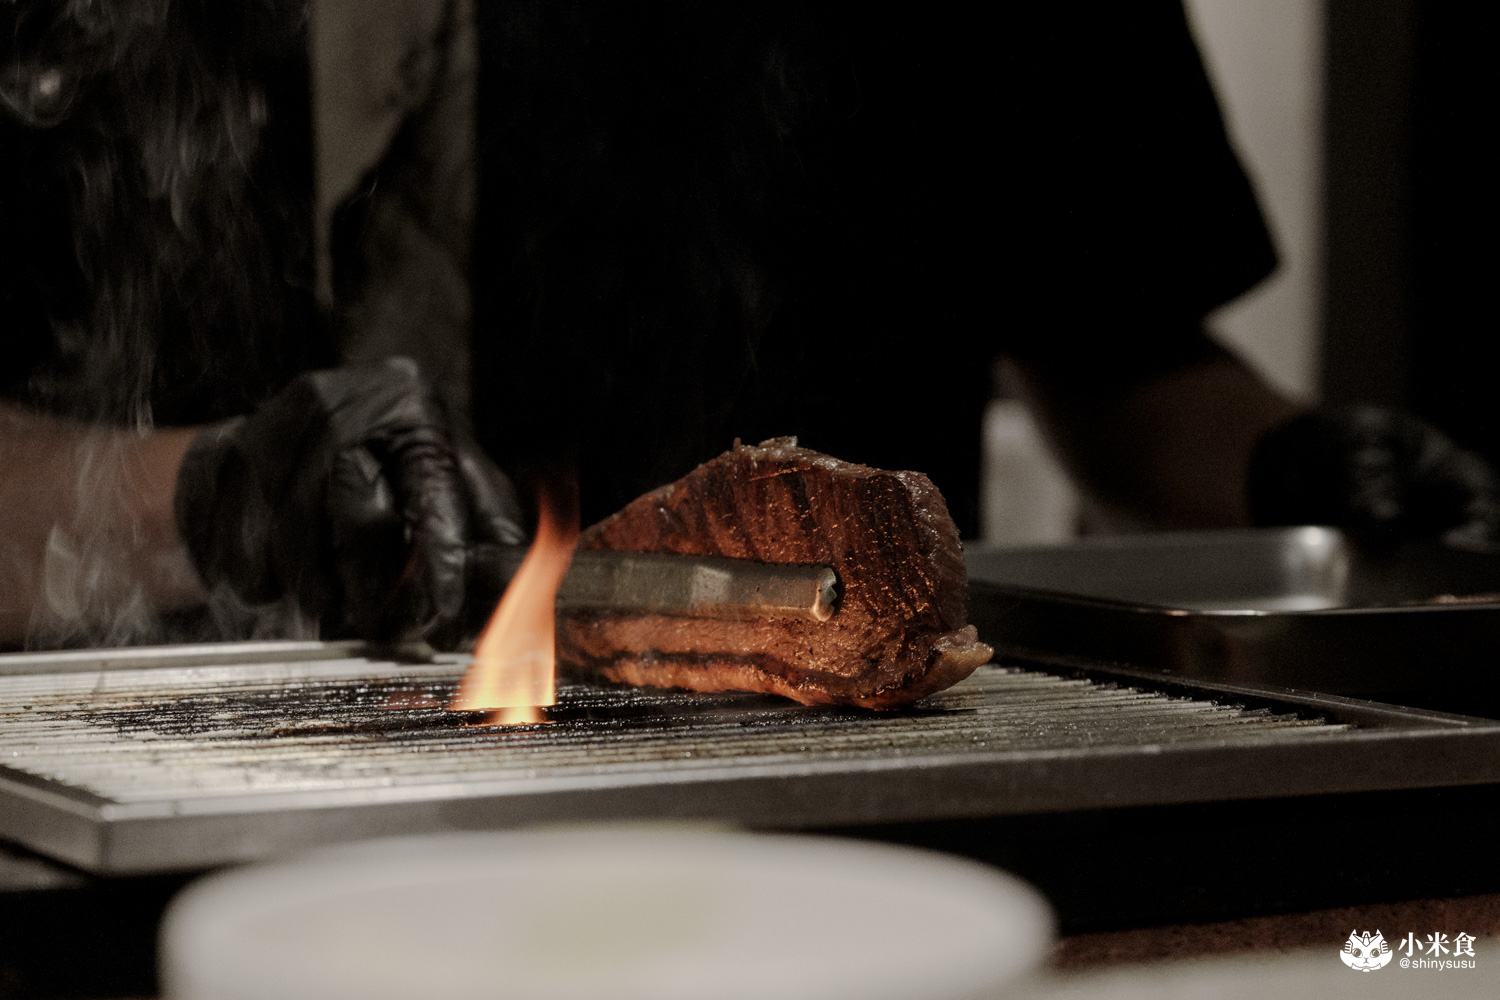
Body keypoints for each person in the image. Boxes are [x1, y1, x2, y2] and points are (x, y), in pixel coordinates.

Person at [0, 0, 1492, 650]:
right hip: (165, 837)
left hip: (848, 816)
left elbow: (1120, 357)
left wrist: (1293, 479)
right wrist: (206, 495)